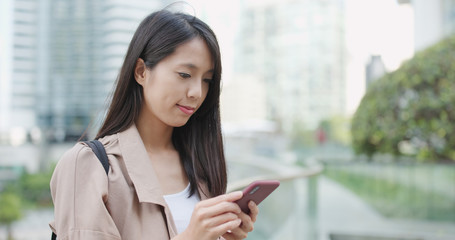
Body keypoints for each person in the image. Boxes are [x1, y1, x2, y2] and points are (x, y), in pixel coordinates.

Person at [49, 9, 258, 240]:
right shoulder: (89, 165)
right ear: (141, 71)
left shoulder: (200, 163)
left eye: (207, 80)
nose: (197, 92)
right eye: (185, 75)